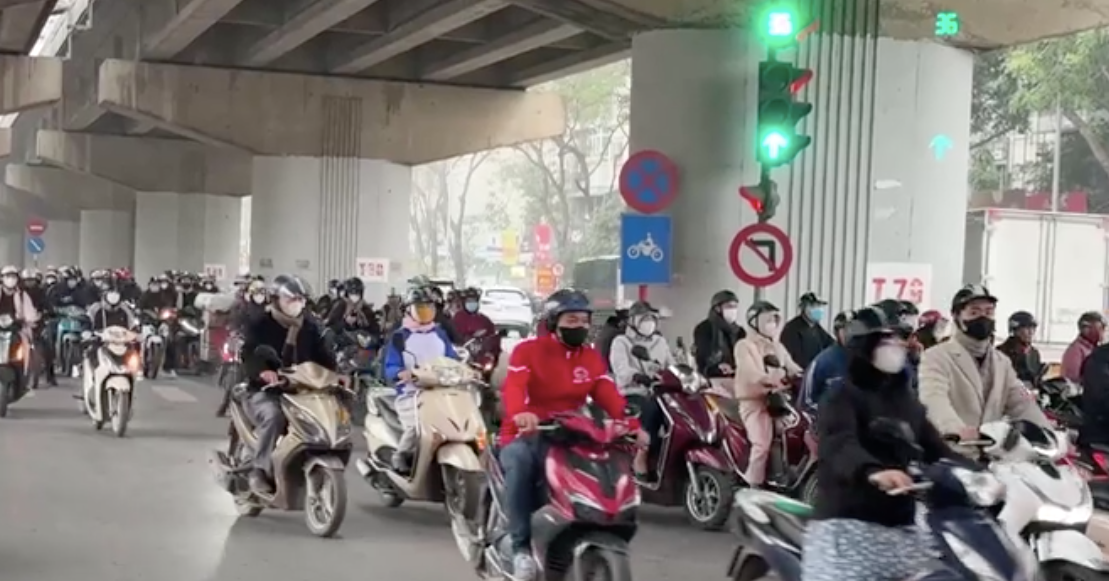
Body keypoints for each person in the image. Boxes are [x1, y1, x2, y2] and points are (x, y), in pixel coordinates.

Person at [801, 306, 968, 581]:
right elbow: (840, 443)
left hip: (901, 526)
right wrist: (873, 471)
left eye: (899, 339)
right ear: (865, 345)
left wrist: (976, 475)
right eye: (886, 340)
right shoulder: (841, 396)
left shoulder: (905, 399)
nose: (896, 347)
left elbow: (936, 448)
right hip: (848, 525)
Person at [498, 288, 644, 581]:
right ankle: (520, 549)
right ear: (553, 322)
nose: (580, 326)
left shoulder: (590, 357)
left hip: (574, 430)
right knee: (521, 464)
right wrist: (521, 413)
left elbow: (607, 394)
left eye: (584, 320)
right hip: (531, 431)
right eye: (571, 319)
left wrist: (631, 424)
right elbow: (514, 387)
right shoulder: (528, 351)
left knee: (608, 463)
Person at [240, 274, 340, 494]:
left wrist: (337, 376)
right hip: (266, 391)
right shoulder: (260, 325)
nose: (297, 305)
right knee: (274, 417)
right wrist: (263, 372)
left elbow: (325, 359)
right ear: (276, 300)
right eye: (291, 300)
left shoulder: (310, 328)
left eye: (301, 300)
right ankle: (259, 469)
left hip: (301, 391)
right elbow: (249, 354)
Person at [918, 284, 1050, 439]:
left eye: (989, 312)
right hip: (952, 451)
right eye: (974, 312)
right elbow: (934, 400)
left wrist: (1048, 434)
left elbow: (1022, 404)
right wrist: (954, 429)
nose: (983, 318)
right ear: (957, 316)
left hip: (992, 454)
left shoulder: (1002, 362)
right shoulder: (936, 356)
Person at [381, 286, 459, 474]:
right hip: (411, 393)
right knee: (419, 426)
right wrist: (401, 373)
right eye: (420, 309)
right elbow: (390, 365)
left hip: (440, 392)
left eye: (428, 309)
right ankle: (400, 454)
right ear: (409, 311)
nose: (425, 314)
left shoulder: (439, 334)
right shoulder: (400, 336)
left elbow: (452, 358)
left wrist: (465, 370)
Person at [733, 301, 802, 487]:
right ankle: (752, 484)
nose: (772, 323)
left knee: (794, 434)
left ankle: (781, 475)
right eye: (767, 319)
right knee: (761, 443)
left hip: (778, 401)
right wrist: (766, 379)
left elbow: (790, 365)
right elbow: (749, 371)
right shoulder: (744, 345)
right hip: (754, 402)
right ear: (755, 322)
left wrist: (802, 374)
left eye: (775, 319)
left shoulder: (777, 346)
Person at [608, 300, 674, 481]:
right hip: (632, 393)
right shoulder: (621, 342)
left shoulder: (660, 341)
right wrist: (637, 376)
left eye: (652, 318)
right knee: (651, 410)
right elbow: (621, 370)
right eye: (643, 318)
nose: (649, 322)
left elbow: (671, 364)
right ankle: (641, 456)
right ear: (632, 321)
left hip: (660, 392)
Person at [800, 309, 855, 413]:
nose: (850, 334)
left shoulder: (869, 360)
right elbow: (806, 403)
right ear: (837, 332)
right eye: (846, 329)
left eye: (854, 329)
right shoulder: (822, 363)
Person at [692, 290, 747, 394]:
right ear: (717, 308)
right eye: (729, 306)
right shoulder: (704, 328)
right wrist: (718, 366)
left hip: (736, 379)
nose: (733, 310)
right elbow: (703, 355)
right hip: (713, 379)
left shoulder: (739, 331)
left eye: (735, 306)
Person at [451, 287, 501, 378]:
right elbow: (453, 336)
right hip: (463, 356)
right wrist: (470, 336)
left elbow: (493, 337)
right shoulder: (457, 318)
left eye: (474, 301)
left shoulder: (485, 320)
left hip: (481, 357)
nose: (471, 303)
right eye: (469, 301)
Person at [780, 292, 834, 370]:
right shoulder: (791, 329)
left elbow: (830, 344)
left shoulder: (816, 327)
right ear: (804, 308)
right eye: (814, 306)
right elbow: (794, 358)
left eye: (820, 306)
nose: (818, 309)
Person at [997, 311, 1042, 385]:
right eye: (1027, 328)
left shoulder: (1034, 353)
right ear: (1015, 330)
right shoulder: (1001, 353)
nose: (1031, 332)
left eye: (1033, 328)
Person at [1062, 311, 1105, 384]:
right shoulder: (1075, 351)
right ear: (1086, 329)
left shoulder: (1097, 349)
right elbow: (1071, 380)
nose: (1103, 333)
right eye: (1100, 328)